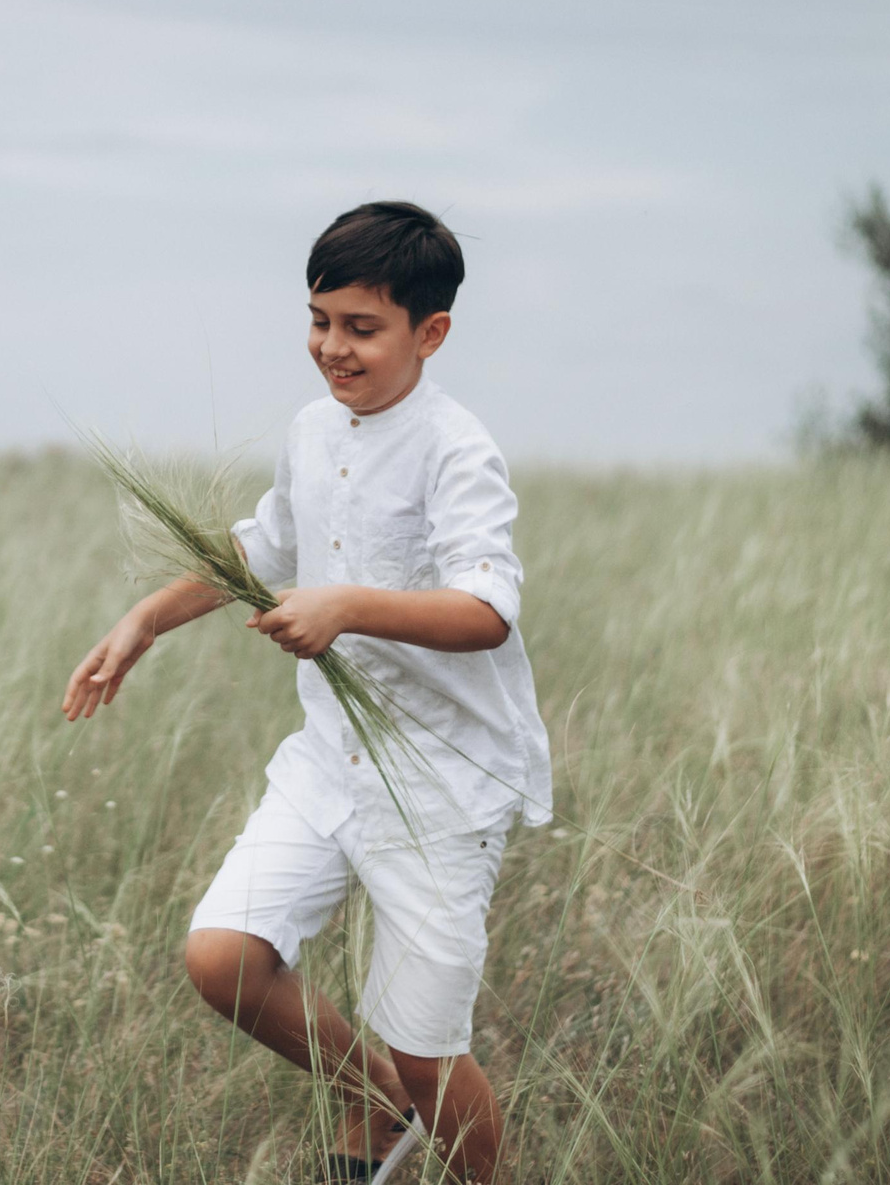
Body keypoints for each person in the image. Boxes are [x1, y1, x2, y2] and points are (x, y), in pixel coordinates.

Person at [62, 200, 552, 1184]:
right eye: (319, 320)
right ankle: (370, 1107)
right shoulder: (309, 429)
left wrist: (347, 607)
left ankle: (431, 1128)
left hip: (441, 787)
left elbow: (486, 609)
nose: (331, 347)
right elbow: (261, 548)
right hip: (330, 763)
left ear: (431, 333)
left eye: (360, 328)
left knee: (426, 1053)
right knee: (222, 960)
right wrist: (145, 621)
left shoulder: (458, 451)